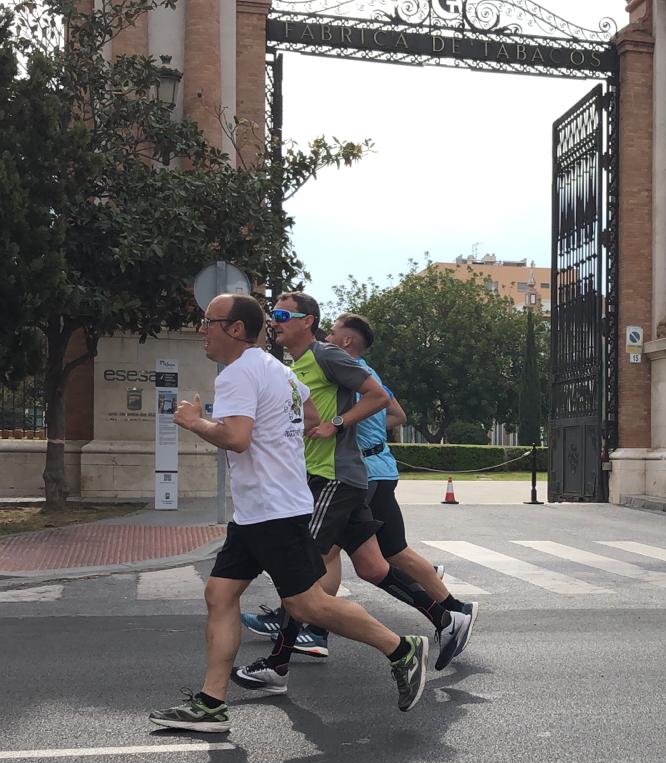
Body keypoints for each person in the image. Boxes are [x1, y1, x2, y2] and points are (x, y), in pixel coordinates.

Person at [147, 293, 428, 732]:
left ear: (235, 329)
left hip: (274, 511)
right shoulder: (280, 370)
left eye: (208, 321)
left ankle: (402, 649)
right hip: (257, 510)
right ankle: (211, 704)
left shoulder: (237, 375)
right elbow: (311, 411)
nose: (202, 329)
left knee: (309, 603)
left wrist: (193, 421)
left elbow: (237, 438)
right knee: (219, 595)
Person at [232, 292, 472, 695]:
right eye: (272, 315)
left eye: (281, 315)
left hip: (333, 479)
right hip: (336, 478)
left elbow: (379, 397)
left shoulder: (327, 356)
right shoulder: (297, 364)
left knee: (300, 569)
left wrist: (338, 424)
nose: (274, 322)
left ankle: (278, 664)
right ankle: (447, 618)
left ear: (307, 321)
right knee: (374, 568)